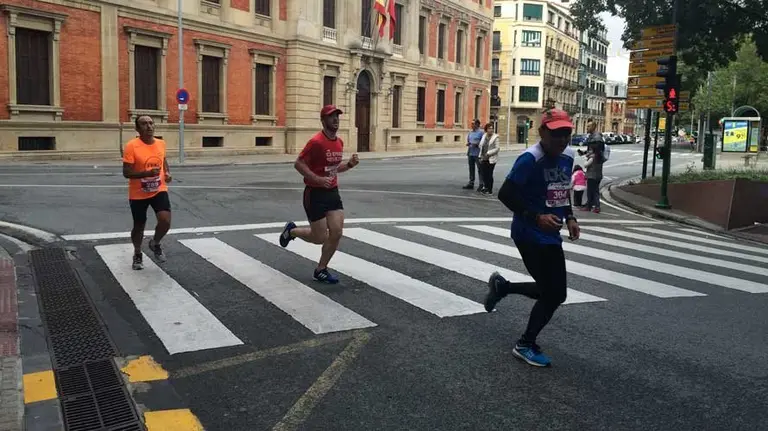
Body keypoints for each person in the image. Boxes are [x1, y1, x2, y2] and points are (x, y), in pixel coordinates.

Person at [484, 108, 580, 368]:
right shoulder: (529, 159)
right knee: (555, 292)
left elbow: (561, 189)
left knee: (551, 290)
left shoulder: (568, 157)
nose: (562, 140)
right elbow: (505, 194)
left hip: (551, 234)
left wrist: (570, 217)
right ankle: (525, 344)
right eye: (556, 133)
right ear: (542, 133)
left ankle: (503, 288)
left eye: (566, 134)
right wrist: (536, 217)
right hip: (528, 233)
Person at [279, 105, 359, 283]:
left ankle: (321, 269)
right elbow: (299, 164)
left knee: (337, 232)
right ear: (323, 121)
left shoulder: (339, 142)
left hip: (332, 193)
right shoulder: (316, 142)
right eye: (331, 117)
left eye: (337, 116)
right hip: (314, 194)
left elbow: (334, 169)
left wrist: (350, 165)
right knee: (319, 237)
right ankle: (292, 231)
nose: (336, 119)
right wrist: (317, 179)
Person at [122, 115, 173, 270]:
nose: (149, 126)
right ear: (138, 129)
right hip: (138, 192)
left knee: (165, 220)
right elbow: (127, 172)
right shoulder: (131, 146)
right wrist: (146, 173)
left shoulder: (161, 143)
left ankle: (155, 243)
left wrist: (168, 172)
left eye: (151, 123)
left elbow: (163, 160)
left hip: (159, 188)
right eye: (144, 124)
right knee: (139, 225)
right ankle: (137, 253)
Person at [478, 122, 500, 195]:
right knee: (484, 174)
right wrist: (480, 156)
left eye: (492, 128)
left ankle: (489, 190)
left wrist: (488, 153)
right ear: (486, 129)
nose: (491, 130)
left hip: (491, 158)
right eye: (489, 128)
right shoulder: (484, 136)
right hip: (483, 157)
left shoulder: (495, 137)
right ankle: (485, 187)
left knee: (489, 174)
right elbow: (481, 146)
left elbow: (497, 148)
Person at [463, 120, 484, 191]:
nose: (471, 125)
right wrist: (468, 144)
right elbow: (469, 141)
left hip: (478, 154)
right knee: (471, 169)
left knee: (480, 169)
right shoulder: (470, 133)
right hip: (470, 153)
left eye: (473, 124)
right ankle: (471, 183)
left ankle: (481, 184)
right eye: (471, 123)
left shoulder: (481, 133)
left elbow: (483, 143)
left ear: (477, 124)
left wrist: (477, 144)